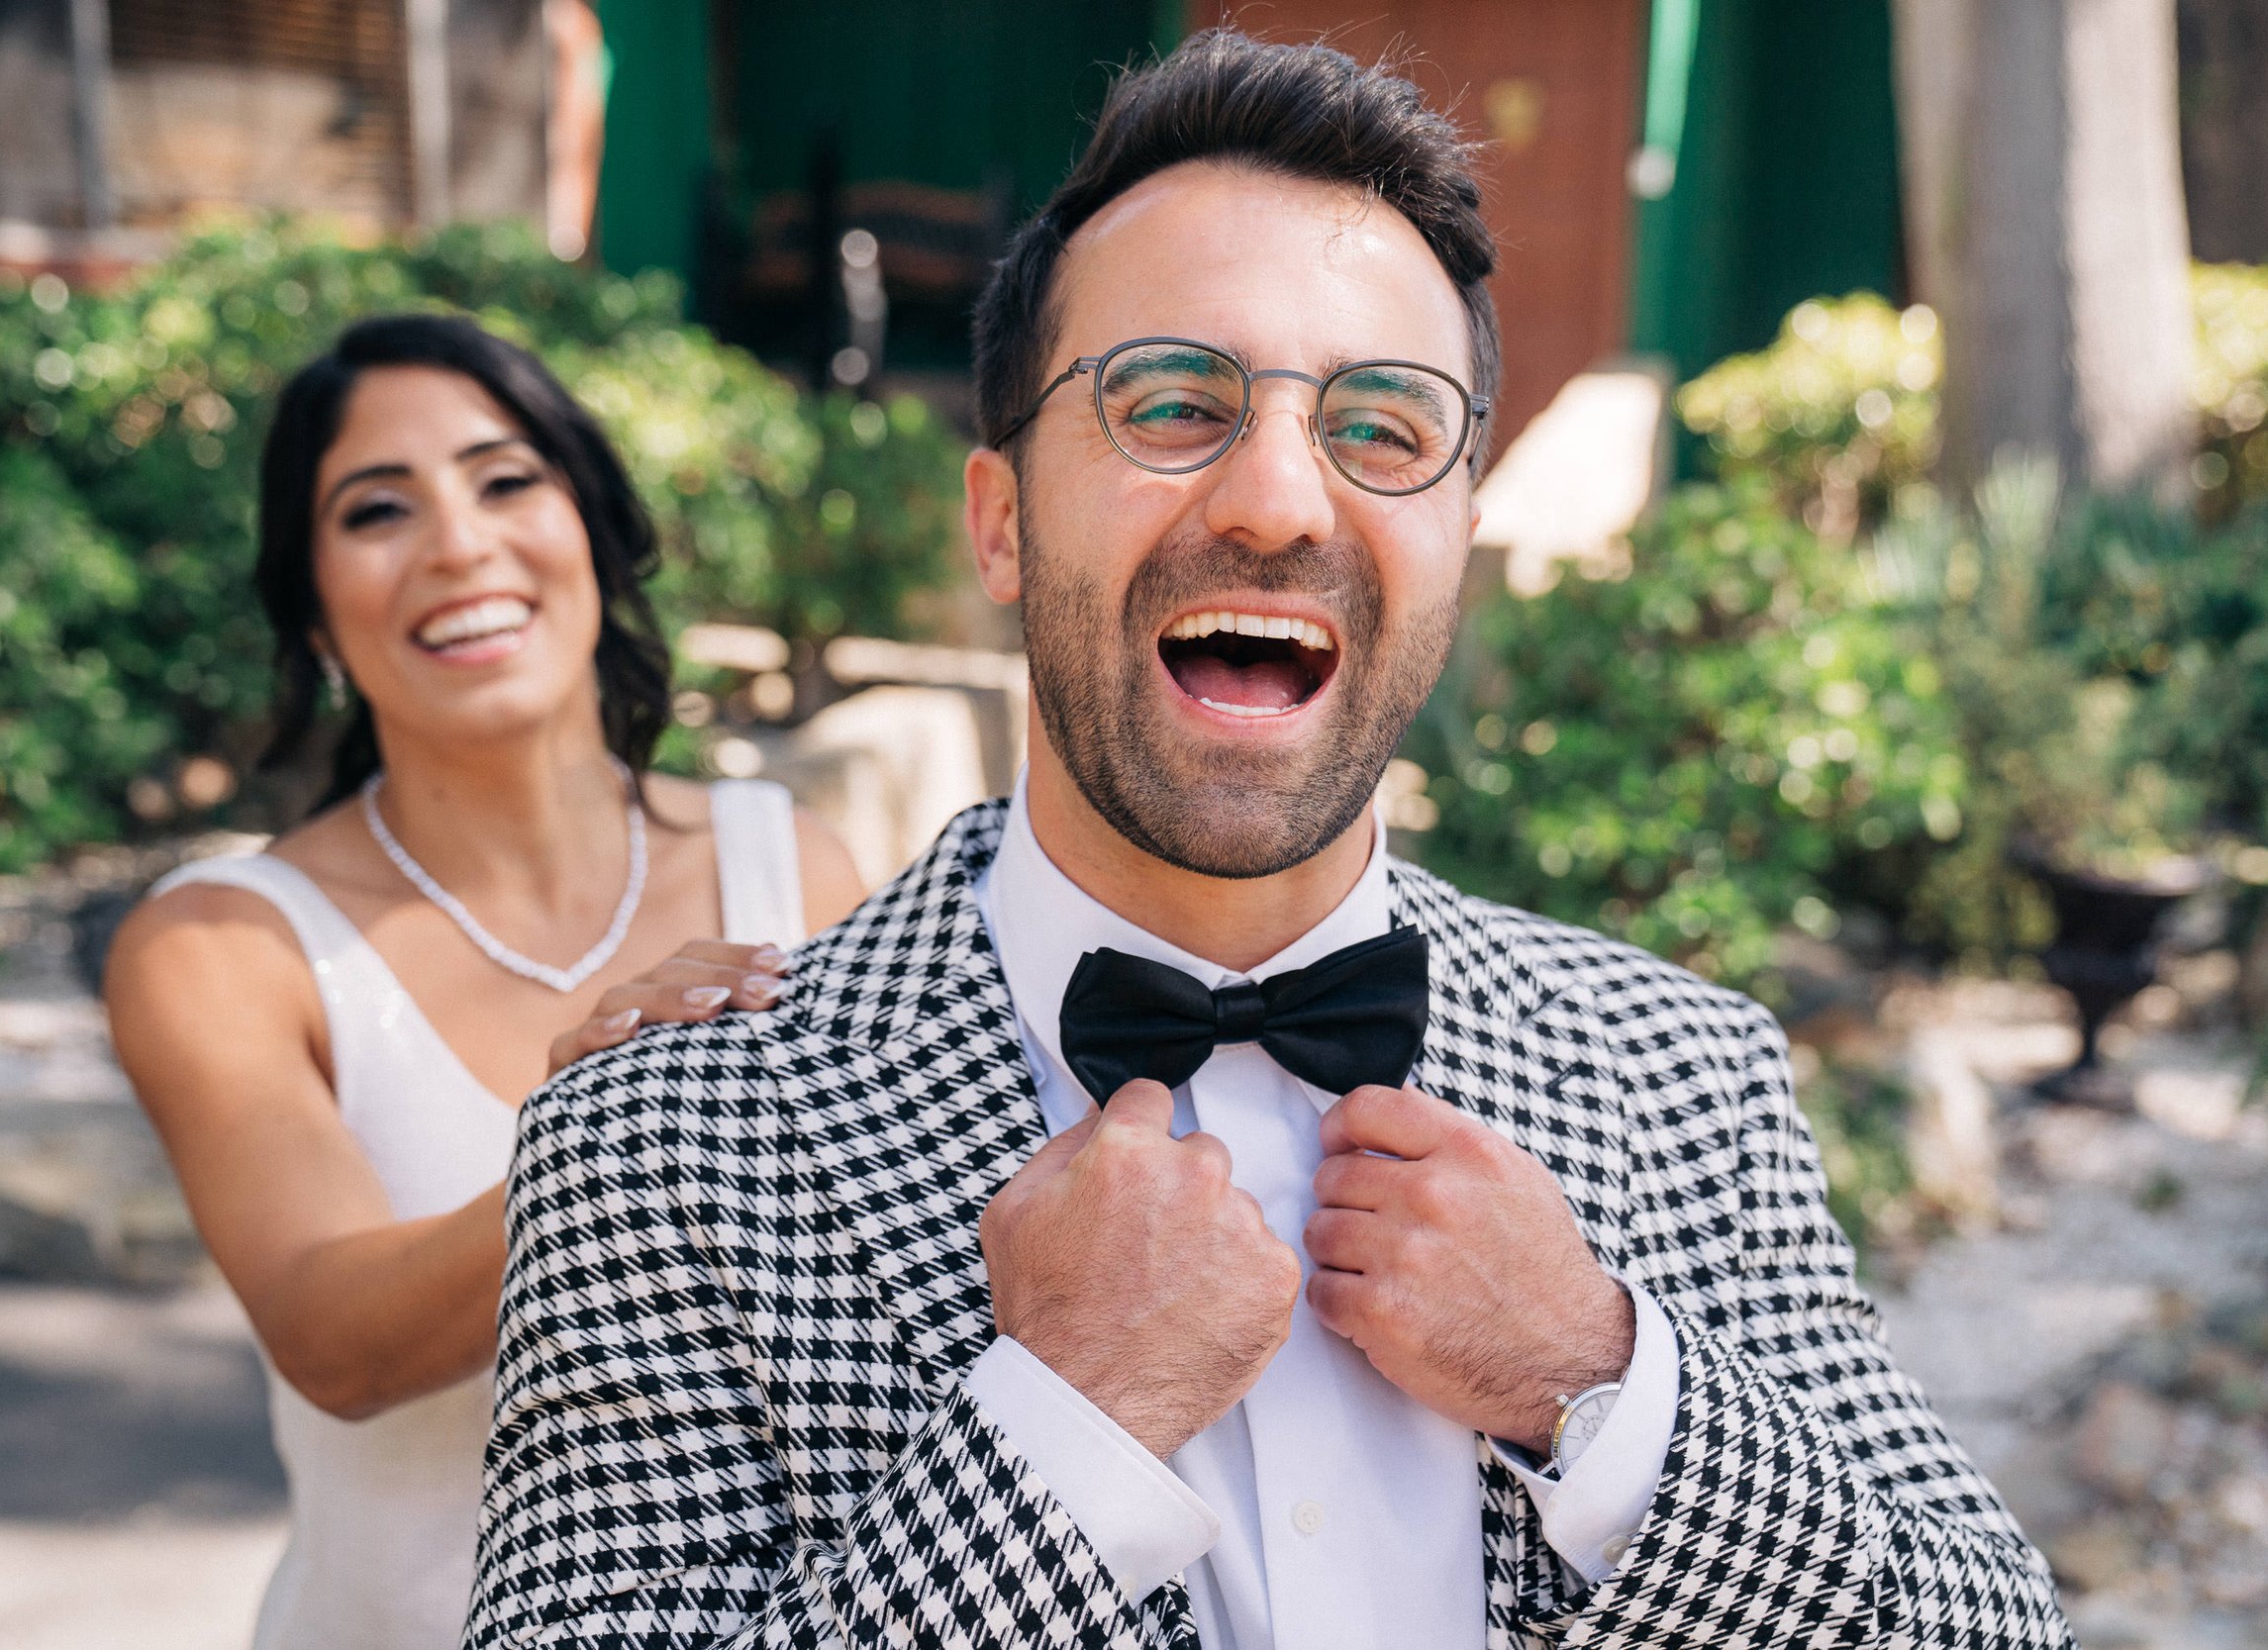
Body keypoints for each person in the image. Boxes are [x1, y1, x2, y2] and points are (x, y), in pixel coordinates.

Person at [468, 33, 2072, 1650]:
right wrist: (1061, 1435)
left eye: (1384, 428)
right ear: (1002, 518)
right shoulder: (660, 1151)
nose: (1282, 504)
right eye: (1172, 403)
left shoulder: (1686, 1077)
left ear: (1457, 526)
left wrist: (1598, 1381)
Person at [104, 313, 865, 1650]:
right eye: (377, 510)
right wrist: (601, 1149)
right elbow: (336, 1341)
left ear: (589, 528)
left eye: (507, 480)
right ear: (314, 609)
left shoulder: (790, 869)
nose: (460, 543)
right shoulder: (221, 944)